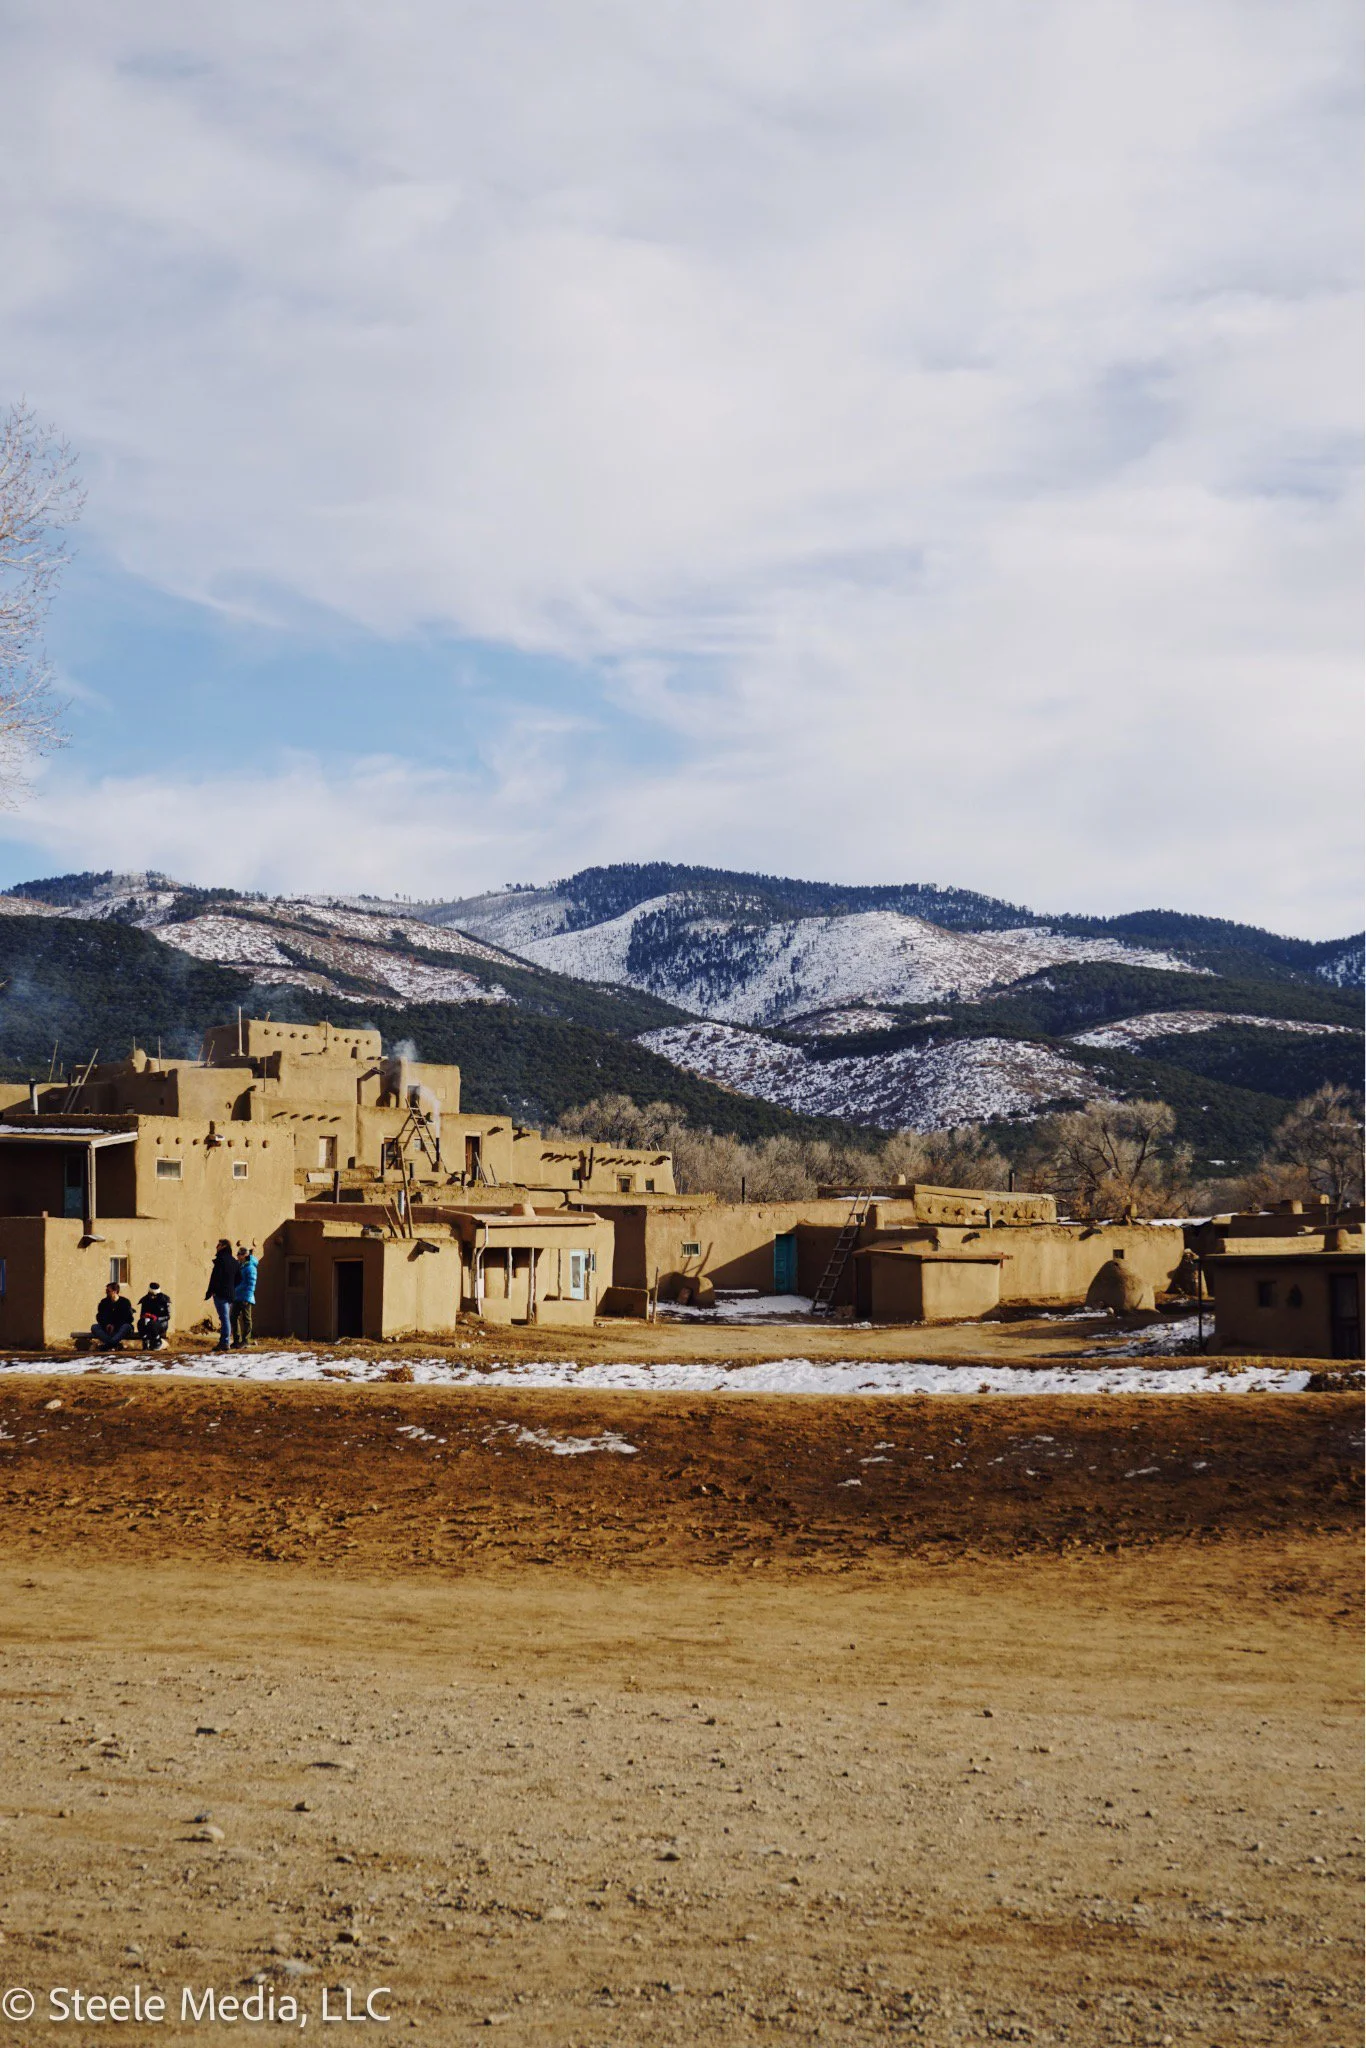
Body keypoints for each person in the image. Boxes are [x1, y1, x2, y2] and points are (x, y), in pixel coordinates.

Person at [205, 1239, 239, 1353]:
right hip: (230, 1294)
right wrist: (231, 1287)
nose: (216, 1246)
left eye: (218, 1244)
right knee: (225, 1318)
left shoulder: (221, 1260)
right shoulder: (234, 1261)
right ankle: (224, 1341)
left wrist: (213, 1291)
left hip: (221, 1294)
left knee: (224, 1319)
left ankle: (225, 1342)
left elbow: (215, 1278)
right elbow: (239, 1278)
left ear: (223, 1246)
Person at [92, 1281, 134, 1353]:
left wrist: (115, 1326)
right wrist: (106, 1324)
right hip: (107, 1329)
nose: (106, 1293)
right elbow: (100, 1316)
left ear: (114, 1292)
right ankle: (114, 1344)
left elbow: (128, 1318)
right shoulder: (104, 1302)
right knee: (94, 1327)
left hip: (120, 1328)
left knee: (126, 1326)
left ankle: (107, 1345)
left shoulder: (125, 1302)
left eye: (108, 1291)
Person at [231, 1243, 258, 1349]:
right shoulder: (242, 1266)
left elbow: (251, 1283)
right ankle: (236, 1341)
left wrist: (246, 1295)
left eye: (239, 1254)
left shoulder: (250, 1267)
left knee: (246, 1318)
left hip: (246, 1296)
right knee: (233, 1317)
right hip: (238, 1296)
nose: (237, 1256)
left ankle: (246, 1340)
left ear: (244, 1255)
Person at [137, 1282, 171, 1352]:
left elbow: (168, 1316)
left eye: (154, 1295)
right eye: (150, 1295)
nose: (152, 1297)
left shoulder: (165, 1299)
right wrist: (145, 1317)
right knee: (140, 1322)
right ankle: (145, 1341)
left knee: (152, 1324)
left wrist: (156, 1318)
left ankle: (157, 1341)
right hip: (148, 1322)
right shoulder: (145, 1299)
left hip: (161, 1323)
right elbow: (142, 1314)